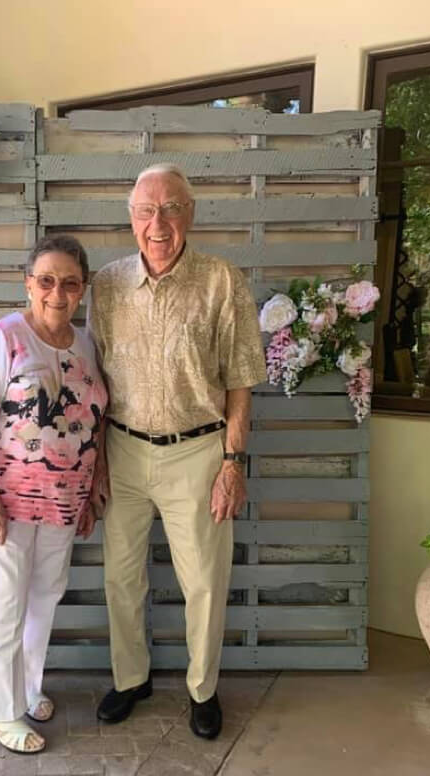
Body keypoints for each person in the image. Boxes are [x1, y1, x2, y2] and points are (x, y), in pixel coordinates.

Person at [88, 164, 266, 740]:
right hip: (123, 449)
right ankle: (130, 677)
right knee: (121, 578)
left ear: (190, 213)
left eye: (170, 208)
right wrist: (96, 461)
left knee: (205, 582)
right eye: (145, 210)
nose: (157, 223)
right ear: (131, 218)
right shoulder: (107, 285)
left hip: (199, 453)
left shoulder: (222, 280)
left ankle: (202, 689)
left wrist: (233, 463)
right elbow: (94, 379)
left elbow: (240, 378)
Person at [0, 235, 107, 754]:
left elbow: (92, 423)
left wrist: (90, 493)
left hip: (65, 504)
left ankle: (26, 690)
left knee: (44, 600)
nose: (57, 292)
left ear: (83, 289)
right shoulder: (4, 338)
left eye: (69, 282)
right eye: (46, 281)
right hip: (9, 504)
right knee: (3, 607)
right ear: (28, 285)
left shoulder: (86, 345)